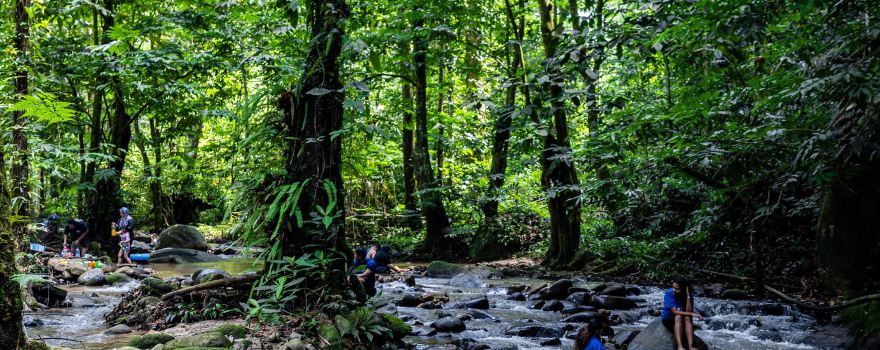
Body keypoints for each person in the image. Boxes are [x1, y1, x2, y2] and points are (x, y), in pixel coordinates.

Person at [661, 278, 703, 350]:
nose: (674, 290)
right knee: (679, 316)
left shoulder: (688, 295)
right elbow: (675, 312)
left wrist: (688, 295)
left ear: (683, 289)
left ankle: (690, 346)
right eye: (673, 287)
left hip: (682, 320)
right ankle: (680, 347)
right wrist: (692, 314)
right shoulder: (669, 293)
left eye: (677, 288)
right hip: (668, 318)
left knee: (687, 317)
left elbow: (688, 311)